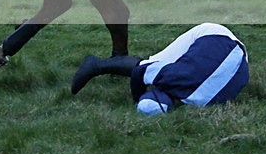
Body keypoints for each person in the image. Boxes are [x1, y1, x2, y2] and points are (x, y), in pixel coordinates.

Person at [71, 23, 249, 115]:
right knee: (153, 63)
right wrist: (137, 97)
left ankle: (97, 65)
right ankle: (96, 65)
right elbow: (139, 73)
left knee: (154, 62)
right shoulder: (173, 77)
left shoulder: (205, 104)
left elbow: (139, 71)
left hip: (241, 58)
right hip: (214, 35)